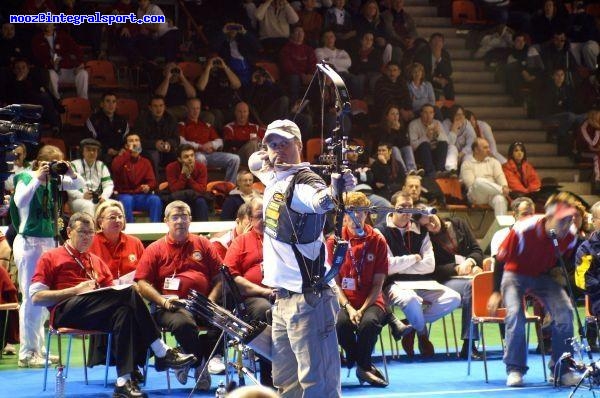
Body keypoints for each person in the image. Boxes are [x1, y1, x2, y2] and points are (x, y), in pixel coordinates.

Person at [30, 212, 196, 398]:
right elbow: (36, 297)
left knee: (124, 312)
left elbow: (114, 295)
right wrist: (75, 290)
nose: (86, 237)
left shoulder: (95, 261)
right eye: (82, 232)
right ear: (69, 232)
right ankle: (160, 350)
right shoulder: (51, 257)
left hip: (94, 314)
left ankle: (123, 382)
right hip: (65, 311)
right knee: (129, 292)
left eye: (90, 232)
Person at [248, 119, 356, 397]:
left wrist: (337, 189)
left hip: (309, 300)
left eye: (284, 144)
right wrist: (266, 157)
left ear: (299, 145)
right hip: (282, 301)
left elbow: (322, 200)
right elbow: (253, 162)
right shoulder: (273, 175)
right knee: (286, 381)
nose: (277, 150)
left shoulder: (304, 182)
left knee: (316, 382)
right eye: (272, 145)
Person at [488, 191, 582, 387]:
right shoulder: (523, 229)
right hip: (515, 274)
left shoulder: (570, 235)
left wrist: (557, 277)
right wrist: (496, 291)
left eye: (569, 220)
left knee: (565, 313)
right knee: (515, 316)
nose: (567, 225)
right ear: (549, 218)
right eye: (562, 221)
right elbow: (499, 260)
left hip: (543, 276)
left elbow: (565, 261)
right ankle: (515, 369)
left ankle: (562, 370)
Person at [10, 144, 85, 368]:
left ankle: (39, 348)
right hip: (29, 242)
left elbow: (80, 185)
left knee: (44, 300)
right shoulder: (25, 176)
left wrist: (71, 171)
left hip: (49, 242)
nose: (55, 167)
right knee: (31, 299)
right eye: (53, 162)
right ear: (41, 162)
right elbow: (19, 201)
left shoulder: (54, 181)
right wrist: (37, 178)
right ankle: (26, 352)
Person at [135, 201, 224, 389]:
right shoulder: (155, 249)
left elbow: (219, 278)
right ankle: (200, 366)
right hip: (169, 306)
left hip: (202, 303)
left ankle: (187, 356)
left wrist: (211, 300)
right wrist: (162, 302)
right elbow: (141, 283)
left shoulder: (204, 244)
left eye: (184, 216)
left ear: (190, 219)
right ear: (166, 221)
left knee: (226, 322)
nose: (180, 221)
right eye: (175, 217)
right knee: (184, 323)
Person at [376, 190, 460, 358]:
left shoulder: (420, 230)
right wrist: (414, 258)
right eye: (402, 207)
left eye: (410, 207)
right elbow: (388, 267)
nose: (407, 211)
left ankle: (410, 325)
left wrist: (401, 264)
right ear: (392, 208)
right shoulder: (380, 231)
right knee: (411, 300)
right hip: (394, 284)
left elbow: (429, 266)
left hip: (424, 282)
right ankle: (422, 333)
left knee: (454, 298)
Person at [330, 192, 388, 387]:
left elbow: (378, 284)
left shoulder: (377, 240)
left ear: (367, 214)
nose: (356, 217)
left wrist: (361, 310)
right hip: (344, 301)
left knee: (368, 323)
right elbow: (335, 283)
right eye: (352, 211)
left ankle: (359, 364)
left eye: (361, 212)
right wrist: (349, 308)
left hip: (371, 301)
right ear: (344, 215)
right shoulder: (334, 242)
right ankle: (363, 365)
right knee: (340, 325)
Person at [418, 210, 484, 359]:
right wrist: (456, 268)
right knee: (472, 286)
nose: (431, 223)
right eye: (426, 224)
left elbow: (477, 250)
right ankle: (468, 345)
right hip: (445, 279)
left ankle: (508, 343)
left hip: (469, 274)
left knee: (490, 282)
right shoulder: (426, 239)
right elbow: (432, 270)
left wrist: (470, 262)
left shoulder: (458, 224)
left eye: (431, 218)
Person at [223, 197, 274, 386]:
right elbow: (231, 276)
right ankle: (269, 378)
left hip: (282, 294)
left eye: (268, 215)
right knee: (266, 311)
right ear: (250, 219)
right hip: (251, 300)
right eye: (260, 216)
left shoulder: (280, 240)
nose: (264, 220)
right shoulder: (240, 242)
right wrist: (263, 291)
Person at [179, 98, 241, 183]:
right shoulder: (183, 124)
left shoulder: (206, 125)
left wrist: (211, 144)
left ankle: (229, 186)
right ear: (188, 109)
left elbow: (220, 141)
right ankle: (202, 186)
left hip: (210, 154)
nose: (195, 111)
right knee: (201, 158)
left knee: (235, 158)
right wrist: (200, 146)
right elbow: (181, 142)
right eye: (193, 108)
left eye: (197, 108)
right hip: (194, 154)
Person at [111, 132, 163, 223]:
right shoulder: (120, 159)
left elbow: (152, 181)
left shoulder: (145, 162)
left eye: (137, 140)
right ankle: (130, 232)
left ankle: (155, 230)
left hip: (140, 196)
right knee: (127, 200)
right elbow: (115, 168)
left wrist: (148, 187)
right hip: (124, 195)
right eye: (131, 141)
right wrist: (128, 152)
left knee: (155, 200)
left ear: (140, 144)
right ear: (126, 146)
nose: (134, 143)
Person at [30, 23, 88, 100]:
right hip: (50, 71)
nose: (47, 24)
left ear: (54, 24)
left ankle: (83, 101)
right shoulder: (37, 39)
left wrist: (80, 64)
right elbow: (36, 60)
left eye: (49, 22)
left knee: (83, 73)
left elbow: (78, 51)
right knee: (51, 73)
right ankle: (56, 101)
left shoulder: (63, 36)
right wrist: (50, 63)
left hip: (67, 70)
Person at [459, 138, 509, 216]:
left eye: (488, 147)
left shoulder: (494, 162)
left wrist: (504, 186)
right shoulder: (466, 164)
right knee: (478, 181)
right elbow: (471, 185)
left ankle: (502, 227)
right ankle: (502, 191)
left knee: (500, 199)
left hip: (492, 193)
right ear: (476, 150)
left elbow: (500, 176)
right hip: (476, 195)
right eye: (485, 147)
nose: (489, 150)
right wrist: (502, 189)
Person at [134, 96, 180, 177]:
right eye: (155, 106)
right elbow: (137, 141)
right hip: (147, 150)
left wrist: (169, 143)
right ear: (150, 108)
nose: (158, 109)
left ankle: (176, 183)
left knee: (176, 155)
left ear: (164, 107)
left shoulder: (171, 119)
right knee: (154, 155)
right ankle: (155, 184)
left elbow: (176, 139)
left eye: (161, 106)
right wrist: (154, 144)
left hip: (165, 149)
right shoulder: (142, 120)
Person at [67, 138, 114, 217]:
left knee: (114, 204)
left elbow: (108, 185)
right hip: (78, 200)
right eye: (88, 150)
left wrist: (104, 197)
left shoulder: (101, 165)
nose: (92, 152)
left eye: (94, 150)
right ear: (83, 151)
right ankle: (91, 229)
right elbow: (69, 186)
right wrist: (82, 195)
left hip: (97, 199)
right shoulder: (74, 165)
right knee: (88, 205)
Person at [164, 144, 210, 221]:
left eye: (192, 155)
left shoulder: (201, 167)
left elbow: (201, 190)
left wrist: (188, 176)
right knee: (172, 201)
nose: (190, 159)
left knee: (201, 201)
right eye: (186, 156)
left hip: (195, 197)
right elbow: (174, 190)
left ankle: (204, 232)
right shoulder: (171, 167)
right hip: (178, 197)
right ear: (179, 159)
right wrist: (183, 175)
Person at [408, 103, 455, 177]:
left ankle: (440, 171)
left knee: (443, 144)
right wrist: (426, 137)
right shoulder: (413, 124)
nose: (428, 115)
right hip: (420, 154)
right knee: (425, 145)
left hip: (434, 153)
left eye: (431, 113)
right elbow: (413, 146)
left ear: (433, 114)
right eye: (425, 113)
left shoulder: (437, 123)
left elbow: (446, 142)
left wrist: (438, 134)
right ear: (421, 113)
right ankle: (431, 173)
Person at [85, 92, 130, 165]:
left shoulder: (122, 121)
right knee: (107, 158)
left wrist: (123, 149)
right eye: (108, 101)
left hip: (120, 152)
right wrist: (107, 149)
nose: (111, 104)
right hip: (102, 152)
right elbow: (90, 140)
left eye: (114, 102)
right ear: (102, 104)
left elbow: (127, 139)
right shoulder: (93, 120)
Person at [223, 102, 266, 169]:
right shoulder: (229, 127)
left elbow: (266, 142)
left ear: (248, 113)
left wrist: (259, 141)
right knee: (252, 144)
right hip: (238, 157)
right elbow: (229, 143)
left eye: (244, 112)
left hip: (256, 153)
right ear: (235, 113)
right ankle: (257, 170)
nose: (242, 115)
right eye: (240, 112)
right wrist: (248, 142)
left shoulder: (255, 127)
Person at [414, 32, 455, 101]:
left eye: (440, 41)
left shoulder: (445, 54)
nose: (437, 44)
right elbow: (419, 71)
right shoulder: (423, 53)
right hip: (425, 78)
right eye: (435, 41)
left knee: (449, 81)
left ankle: (449, 104)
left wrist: (439, 59)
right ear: (430, 43)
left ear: (442, 44)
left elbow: (448, 72)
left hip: (438, 79)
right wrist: (435, 79)